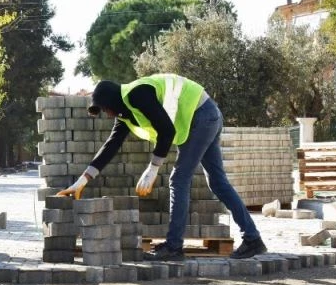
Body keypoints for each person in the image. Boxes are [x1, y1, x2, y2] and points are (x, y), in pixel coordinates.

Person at [58, 74, 267, 261]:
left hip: (201, 116)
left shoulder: (137, 94)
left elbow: (167, 131)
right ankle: (253, 239)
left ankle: (174, 247)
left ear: (112, 100)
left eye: (105, 108)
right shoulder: (125, 113)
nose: (107, 114)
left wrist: (153, 169)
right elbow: (110, 146)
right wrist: (82, 181)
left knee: (178, 180)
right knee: (218, 183)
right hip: (207, 114)